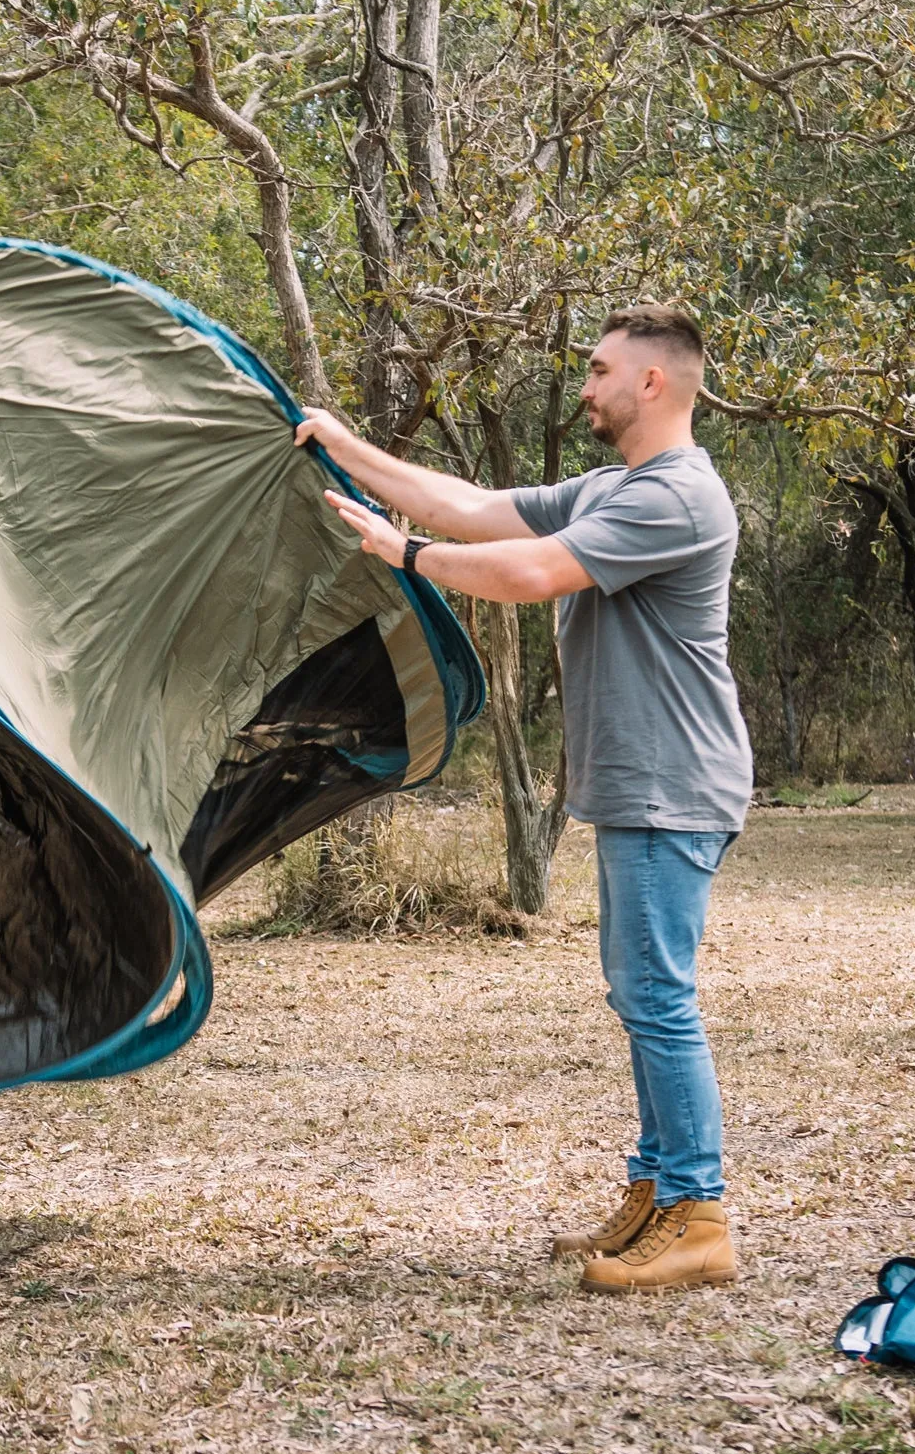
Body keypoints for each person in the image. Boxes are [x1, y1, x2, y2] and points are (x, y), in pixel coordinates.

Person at [295, 304, 753, 1294]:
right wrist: (343, 444)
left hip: (671, 784)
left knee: (656, 997)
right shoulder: (613, 487)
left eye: (598, 371)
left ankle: (700, 1215)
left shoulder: (674, 498)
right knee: (640, 995)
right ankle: (657, 1194)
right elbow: (468, 506)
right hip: (645, 783)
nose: (583, 387)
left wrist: (400, 555)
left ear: (651, 384)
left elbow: (529, 572)